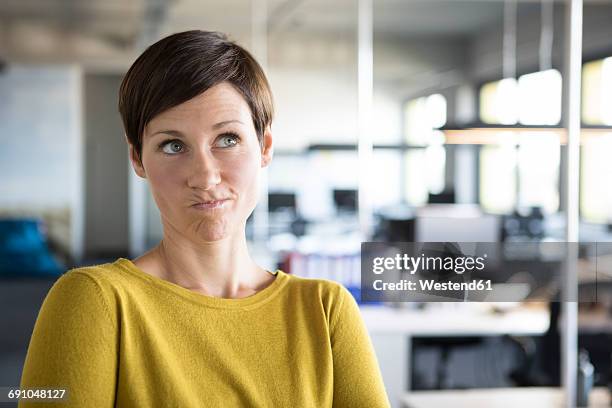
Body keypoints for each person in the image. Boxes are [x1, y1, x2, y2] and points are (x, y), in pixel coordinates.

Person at [19, 30, 390, 407]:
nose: (205, 176)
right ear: (137, 159)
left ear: (264, 147)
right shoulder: (95, 301)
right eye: (173, 145)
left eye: (227, 139)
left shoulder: (326, 313)